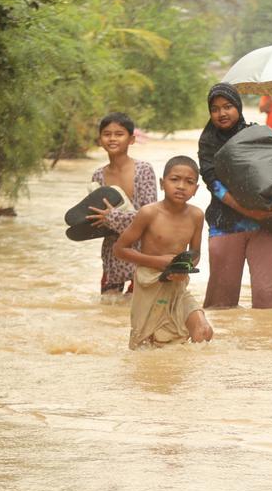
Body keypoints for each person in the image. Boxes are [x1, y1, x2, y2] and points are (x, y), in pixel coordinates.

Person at [197, 83, 272, 309]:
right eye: (215, 109)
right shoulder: (207, 143)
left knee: (266, 298)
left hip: (268, 224)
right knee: (221, 303)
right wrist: (248, 211)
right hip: (227, 223)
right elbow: (213, 183)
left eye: (228, 106)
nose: (221, 113)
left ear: (238, 107)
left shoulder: (258, 135)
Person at [114, 156, 213, 349]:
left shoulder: (196, 215)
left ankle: (190, 376)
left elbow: (195, 253)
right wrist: (158, 262)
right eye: (174, 179)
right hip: (149, 284)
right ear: (162, 183)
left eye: (189, 182)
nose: (181, 186)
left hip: (178, 285)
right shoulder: (148, 213)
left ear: (196, 189)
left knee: (203, 331)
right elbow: (120, 249)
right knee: (145, 345)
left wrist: (185, 267)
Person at [85, 112, 157, 299]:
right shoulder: (98, 176)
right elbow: (97, 217)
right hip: (112, 252)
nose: (112, 138)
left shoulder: (143, 170)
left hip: (142, 252)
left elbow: (150, 215)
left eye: (119, 134)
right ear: (100, 140)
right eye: (107, 134)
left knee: (136, 309)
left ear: (131, 139)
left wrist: (111, 217)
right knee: (109, 308)